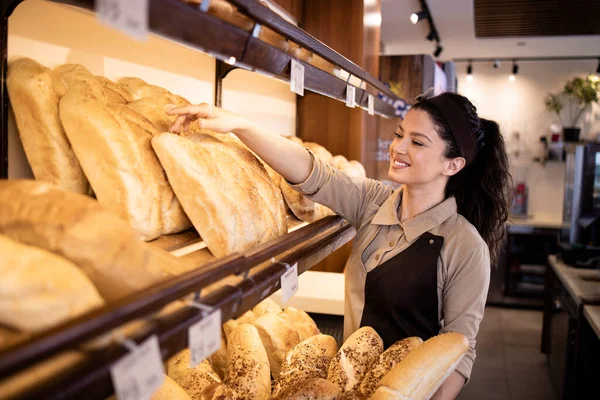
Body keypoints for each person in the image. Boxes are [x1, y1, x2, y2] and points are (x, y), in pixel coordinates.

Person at [167, 89, 512, 399]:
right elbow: (311, 173)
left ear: (453, 164)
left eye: (418, 142)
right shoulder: (375, 202)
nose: (398, 148)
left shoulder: (464, 245)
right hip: (347, 388)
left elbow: (458, 350)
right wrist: (240, 126)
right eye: (399, 135)